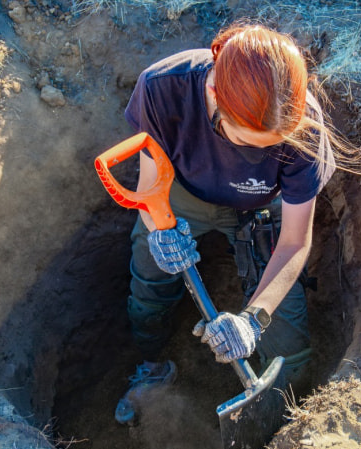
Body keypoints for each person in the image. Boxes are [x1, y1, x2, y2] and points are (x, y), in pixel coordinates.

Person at [115, 23, 342, 425]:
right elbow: (149, 189)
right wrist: (159, 232)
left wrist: (254, 319)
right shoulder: (163, 87)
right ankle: (150, 363)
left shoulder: (303, 124)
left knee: (288, 342)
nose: (264, 152)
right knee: (149, 280)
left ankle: (280, 413)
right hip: (182, 195)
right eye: (250, 142)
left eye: (273, 143)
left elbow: (294, 240)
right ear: (214, 95)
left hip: (265, 210)